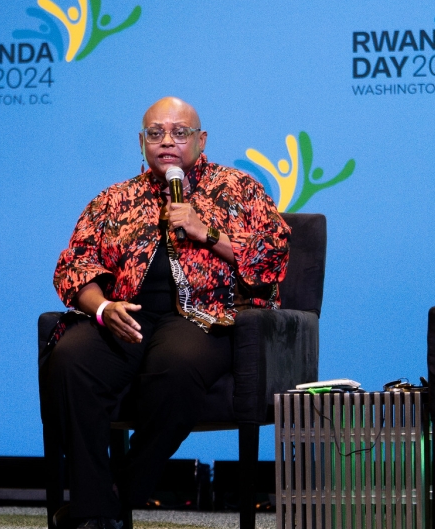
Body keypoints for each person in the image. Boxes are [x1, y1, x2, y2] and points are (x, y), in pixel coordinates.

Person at [43, 97, 290, 529]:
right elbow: (74, 265)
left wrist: (204, 231)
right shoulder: (114, 199)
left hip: (205, 317)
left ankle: (115, 498)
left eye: (180, 133)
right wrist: (102, 307)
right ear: (142, 142)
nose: (167, 142)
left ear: (201, 140)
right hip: (127, 314)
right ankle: (94, 512)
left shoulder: (238, 188)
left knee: (176, 366)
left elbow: (273, 254)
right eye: (156, 134)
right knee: (71, 359)